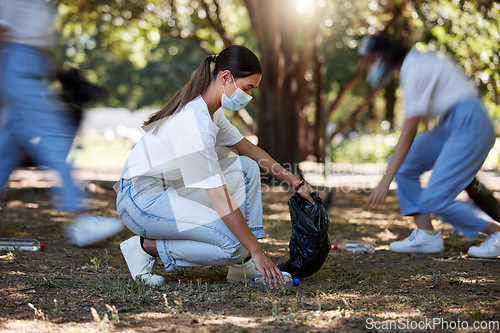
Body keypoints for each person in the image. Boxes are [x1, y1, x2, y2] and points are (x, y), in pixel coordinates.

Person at [115, 45, 315, 287]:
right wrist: (256, 250)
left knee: (245, 167)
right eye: (246, 88)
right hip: (141, 199)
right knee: (234, 246)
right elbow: (220, 198)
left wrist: (297, 183)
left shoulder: (212, 113)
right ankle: (146, 247)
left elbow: (249, 150)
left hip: (172, 189)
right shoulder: (194, 123)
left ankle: (242, 267)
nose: (248, 97)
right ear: (226, 77)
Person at [360, 36, 500, 258]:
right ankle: (426, 235)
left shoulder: (413, 68)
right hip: (449, 124)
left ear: (382, 56)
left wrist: (384, 182)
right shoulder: (414, 64)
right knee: (403, 165)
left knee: (436, 197)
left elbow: (409, 131)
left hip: (470, 123)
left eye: (369, 61)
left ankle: (497, 233)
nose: (367, 69)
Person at [0, 0, 123, 246]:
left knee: (5, 150)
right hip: (16, 66)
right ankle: (80, 220)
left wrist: (56, 71)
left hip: (29, 66)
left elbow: (34, 37)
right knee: (57, 138)